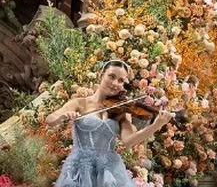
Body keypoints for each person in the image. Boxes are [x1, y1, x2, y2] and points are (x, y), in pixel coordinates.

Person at [45, 59, 175, 187]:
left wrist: (156, 125)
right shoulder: (80, 103)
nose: (115, 83)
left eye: (120, 81)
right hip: (80, 168)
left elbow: (129, 141)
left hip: (110, 169)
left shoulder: (122, 111)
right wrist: (62, 116)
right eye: (111, 76)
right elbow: (50, 119)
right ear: (101, 75)